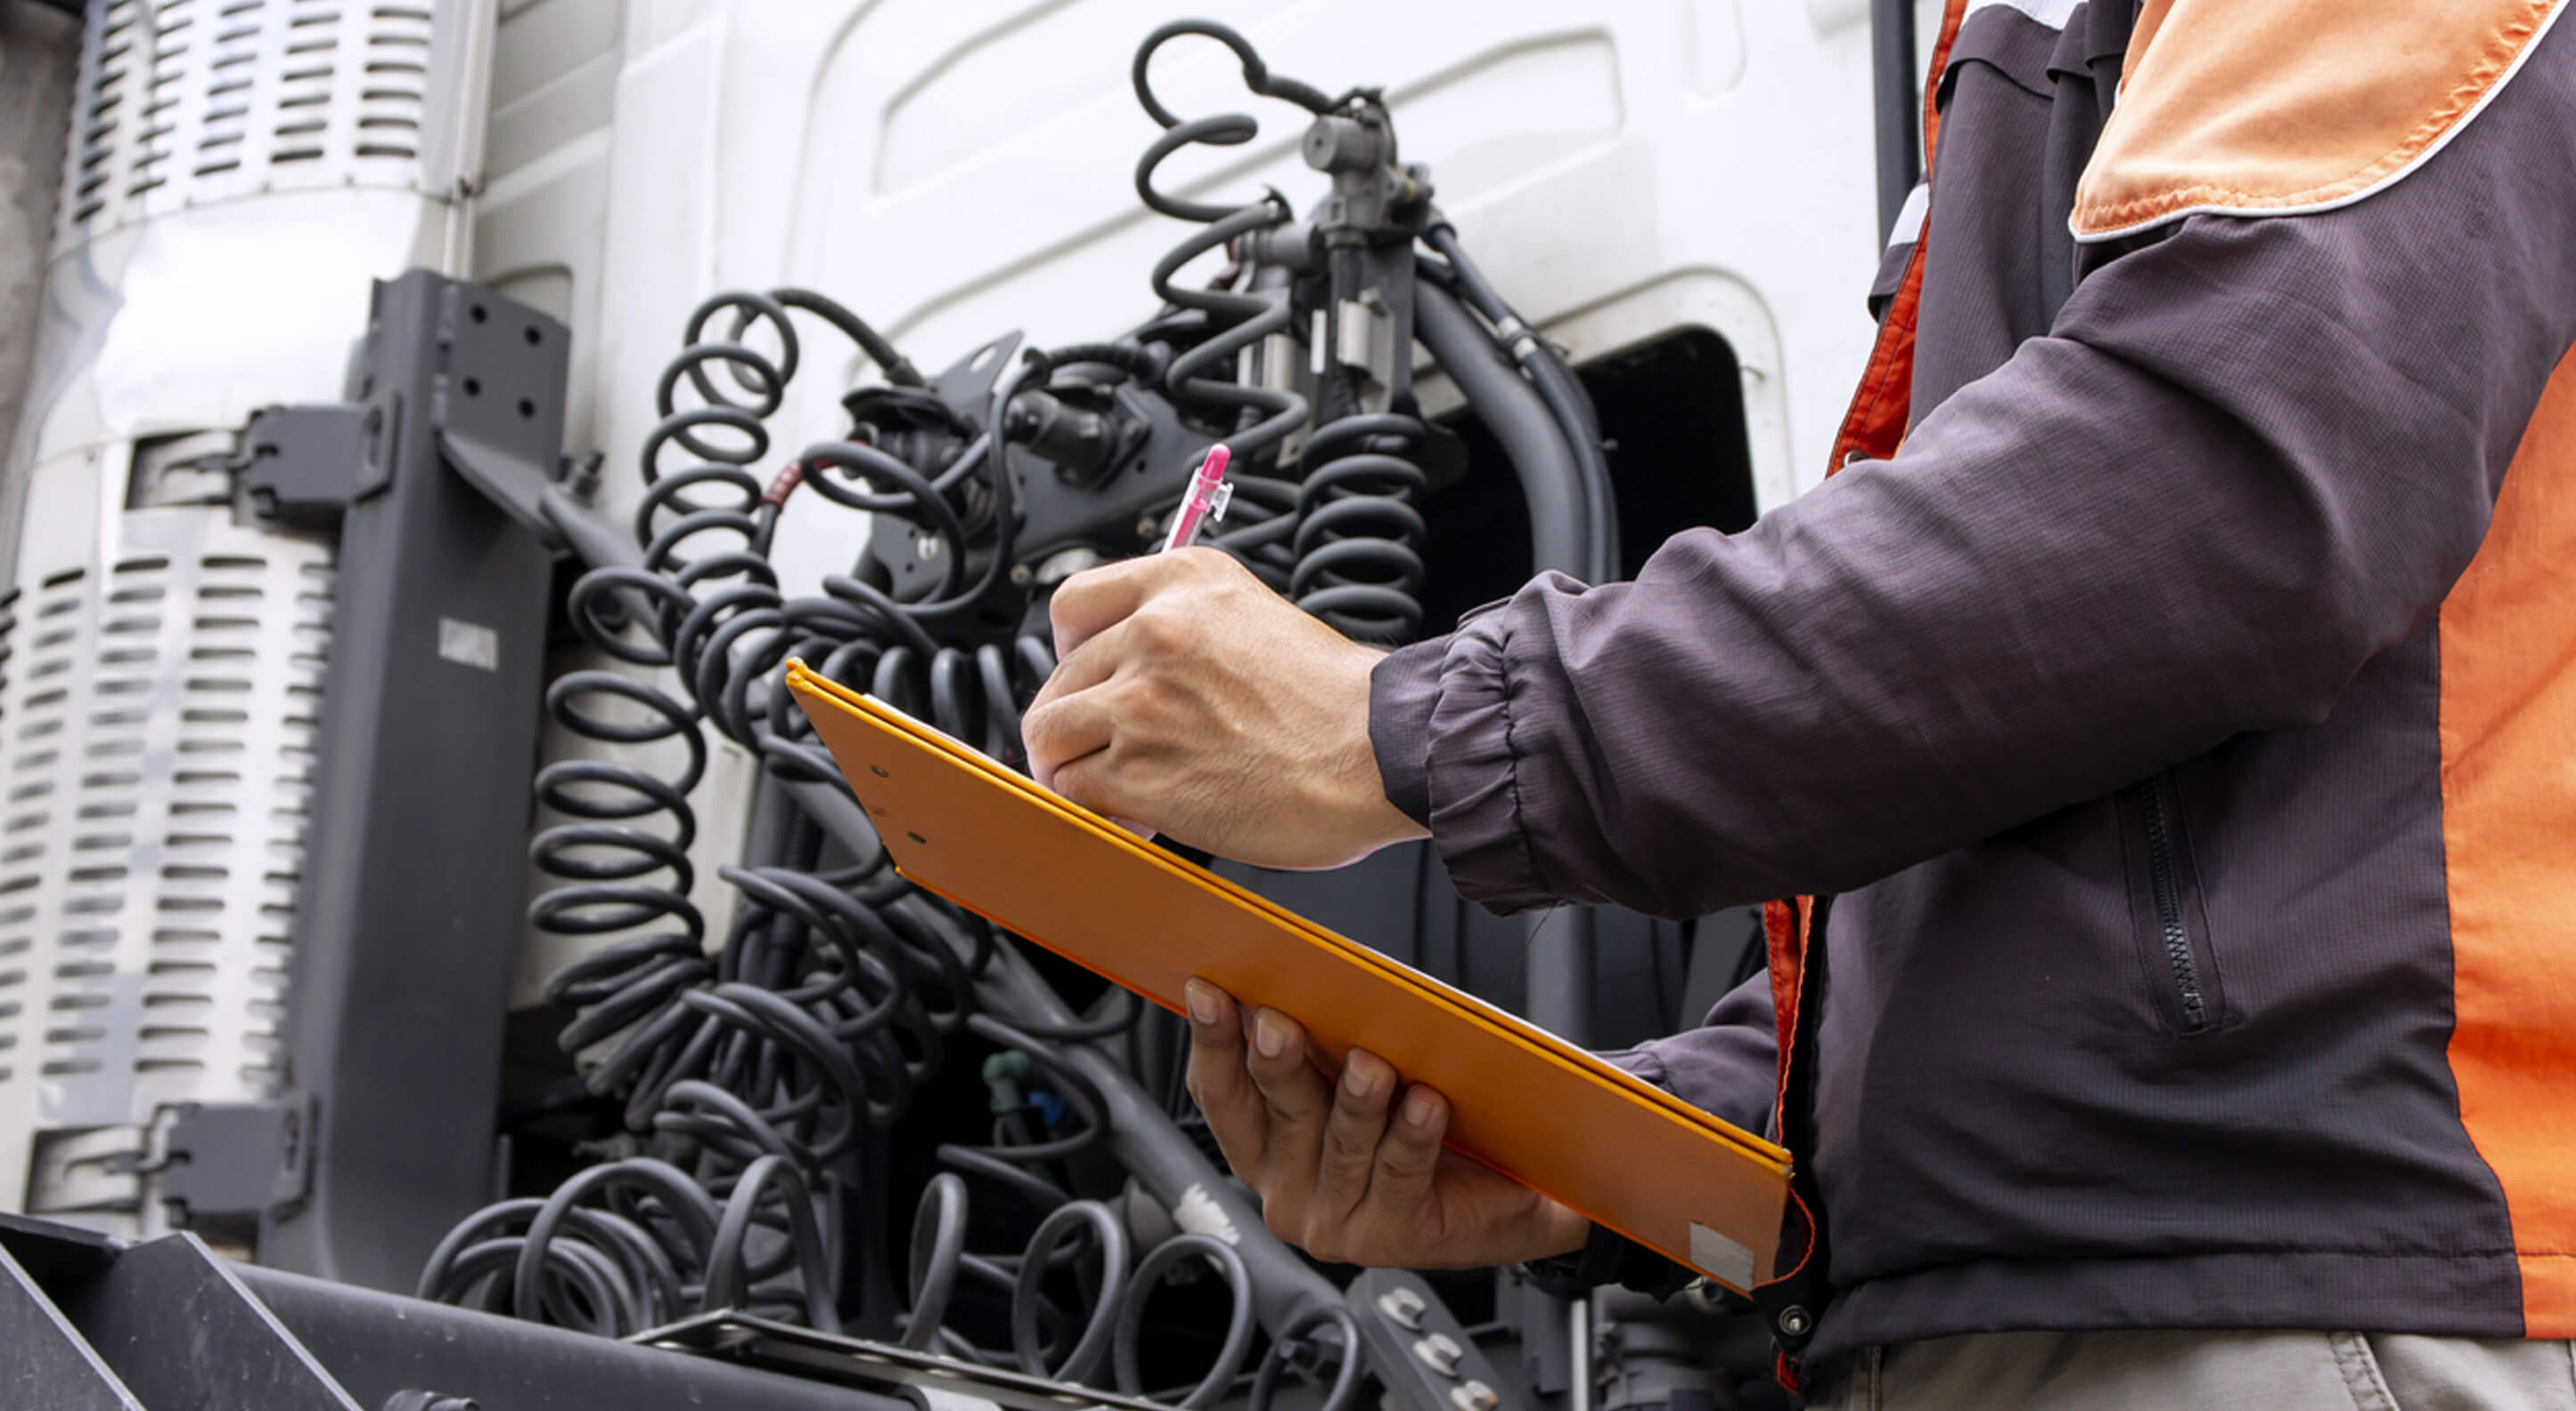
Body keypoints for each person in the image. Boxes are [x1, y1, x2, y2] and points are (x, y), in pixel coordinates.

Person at [1022, 1, 2576, 1406]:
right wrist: (1599, 1150)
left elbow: (2208, 492)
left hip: (2280, 1285)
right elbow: (2036, 781)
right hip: (2037, 1309)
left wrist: (1402, 727)